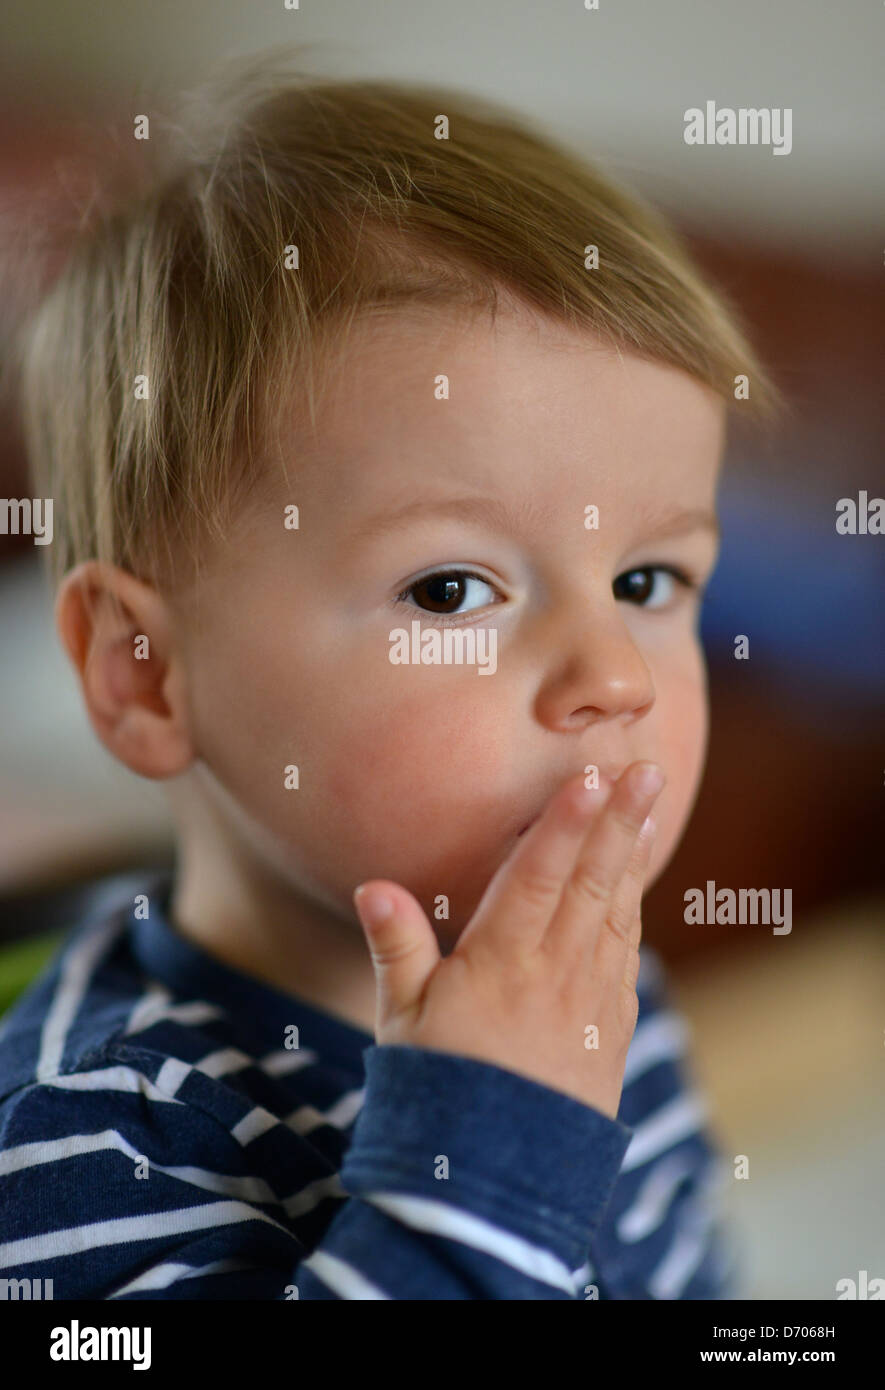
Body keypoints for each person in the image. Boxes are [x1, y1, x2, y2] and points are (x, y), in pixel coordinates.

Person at [0, 46, 780, 1299]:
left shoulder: (599, 991)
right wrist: (484, 1153)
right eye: (451, 589)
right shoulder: (101, 1145)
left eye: (648, 582)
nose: (614, 677)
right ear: (148, 676)